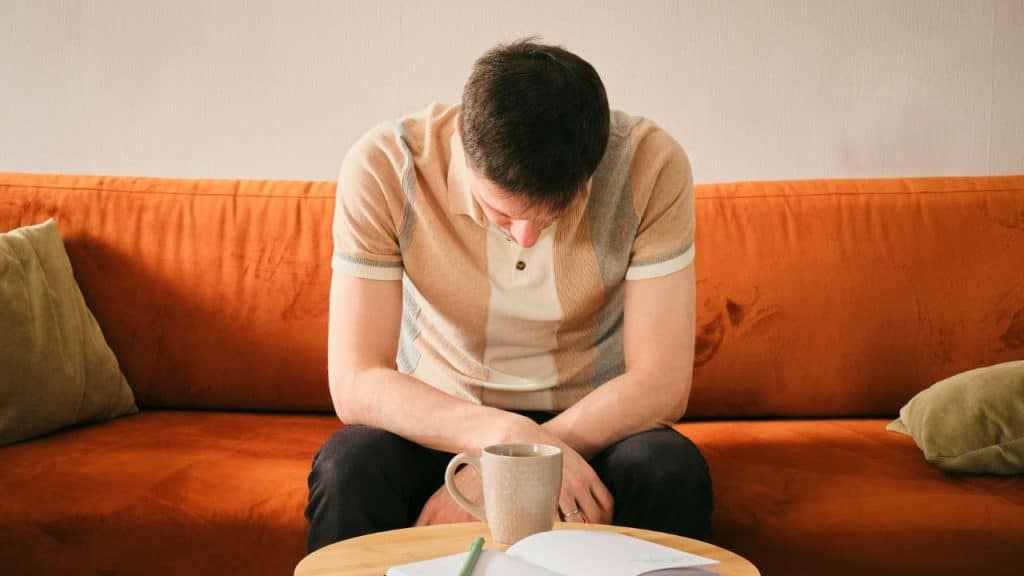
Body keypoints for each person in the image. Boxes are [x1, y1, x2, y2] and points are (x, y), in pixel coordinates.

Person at [305, 38, 711, 553]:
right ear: (463, 145)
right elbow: (356, 381)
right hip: (442, 420)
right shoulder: (386, 167)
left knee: (668, 470)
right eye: (502, 214)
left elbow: (662, 383)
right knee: (348, 468)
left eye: (554, 215)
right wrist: (501, 444)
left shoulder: (650, 164)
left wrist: (520, 460)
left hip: (595, 421)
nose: (527, 237)